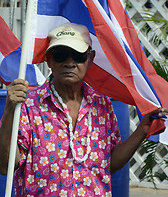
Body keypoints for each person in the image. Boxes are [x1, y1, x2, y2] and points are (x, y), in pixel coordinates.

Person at [0, 23, 167, 197]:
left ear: (90, 59)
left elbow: (107, 164)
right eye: (60, 55)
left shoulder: (102, 105)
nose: (69, 63)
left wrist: (141, 131)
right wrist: (10, 110)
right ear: (49, 60)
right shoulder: (28, 104)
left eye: (78, 56)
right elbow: (5, 166)